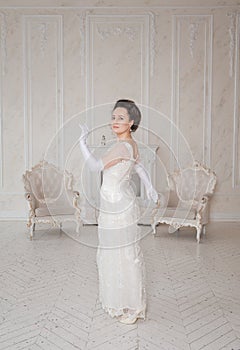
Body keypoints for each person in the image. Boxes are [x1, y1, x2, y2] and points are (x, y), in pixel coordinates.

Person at [79, 99, 158, 324]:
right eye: (113, 117)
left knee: (119, 253)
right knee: (125, 252)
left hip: (116, 207)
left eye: (121, 118)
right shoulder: (132, 144)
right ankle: (128, 302)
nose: (115, 121)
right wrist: (150, 187)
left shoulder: (122, 146)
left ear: (131, 122)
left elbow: (96, 166)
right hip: (121, 202)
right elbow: (140, 167)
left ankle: (129, 306)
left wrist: (82, 143)